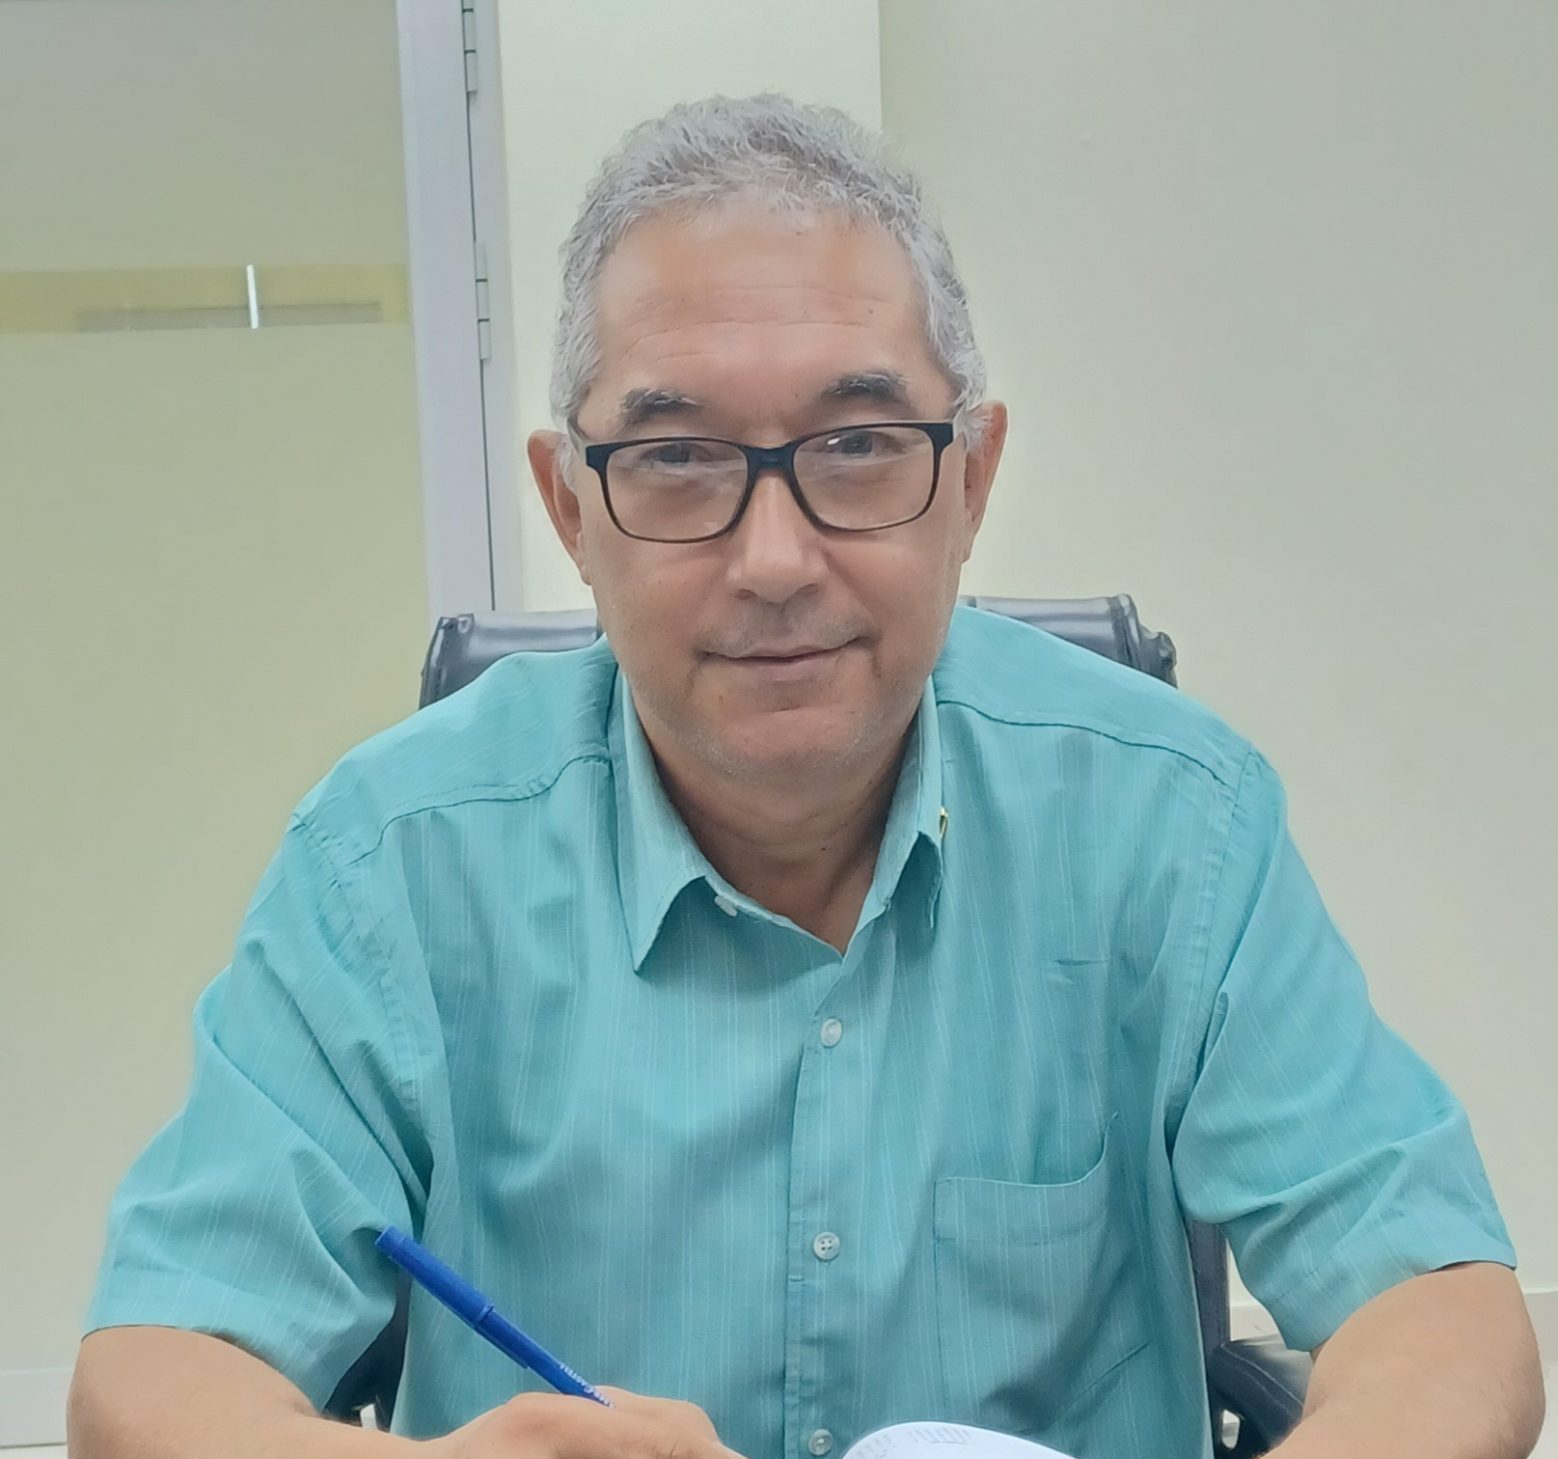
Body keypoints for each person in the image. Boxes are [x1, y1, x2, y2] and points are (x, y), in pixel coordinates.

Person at [69, 95, 1543, 1459]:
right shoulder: (391, 858)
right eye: (675, 461)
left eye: (857, 447)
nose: (774, 562)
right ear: (569, 510)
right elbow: (150, 1379)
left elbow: (1442, 1310)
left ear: (970, 481)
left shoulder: (1171, 818)